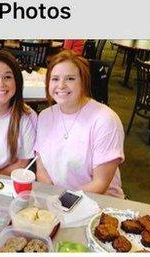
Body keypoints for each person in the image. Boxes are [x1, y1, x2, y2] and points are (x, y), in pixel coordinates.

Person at [35, 50, 125, 197]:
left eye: (70, 79)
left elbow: (100, 184)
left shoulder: (105, 119)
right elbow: (42, 170)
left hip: (99, 204)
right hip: (56, 201)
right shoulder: (45, 117)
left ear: (83, 82)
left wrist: (61, 202)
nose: (61, 85)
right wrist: (51, 203)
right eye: (55, 79)